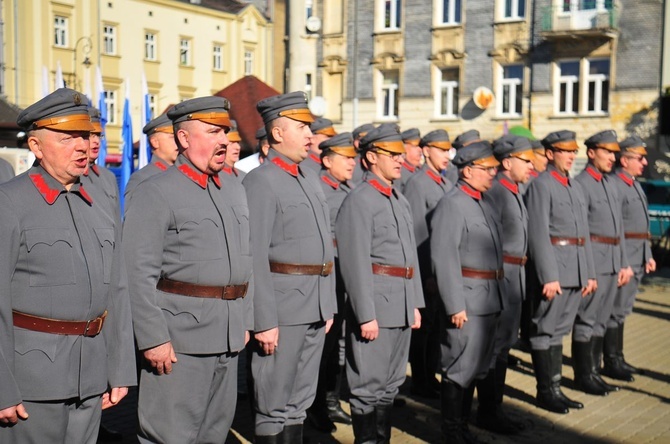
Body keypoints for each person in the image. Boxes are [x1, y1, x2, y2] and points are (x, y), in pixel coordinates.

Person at [0, 87, 135, 442]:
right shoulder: (9, 203)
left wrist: (119, 367)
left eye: (85, 135)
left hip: (90, 377)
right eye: (67, 137)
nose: (81, 145)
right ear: (35, 147)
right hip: (32, 382)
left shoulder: (98, 204)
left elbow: (117, 291)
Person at [123, 96, 253, 443]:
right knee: (169, 435)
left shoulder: (234, 189)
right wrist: (153, 338)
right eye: (213, 131)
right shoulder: (156, 192)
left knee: (213, 433)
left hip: (227, 335)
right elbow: (136, 273)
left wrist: (245, 321)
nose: (224, 139)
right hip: (178, 340)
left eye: (224, 131)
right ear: (183, 139)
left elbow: (246, 262)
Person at [243, 91, 336, 443]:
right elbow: (254, 255)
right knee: (273, 401)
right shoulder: (261, 181)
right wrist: (263, 320)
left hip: (314, 304)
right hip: (282, 310)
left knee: (299, 401)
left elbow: (324, 246)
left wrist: (327, 303)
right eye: (302, 127)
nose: (310, 135)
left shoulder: (310, 176)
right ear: (278, 133)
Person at [335, 123, 424, 444]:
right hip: (376, 305)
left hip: (400, 304)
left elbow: (408, 258)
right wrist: (364, 313)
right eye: (393, 154)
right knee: (367, 385)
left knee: (391, 382)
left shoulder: (398, 198)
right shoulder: (360, 200)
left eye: (402, 154)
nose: (401, 160)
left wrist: (414, 303)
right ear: (371, 157)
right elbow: (354, 261)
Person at [431, 141, 503, 443]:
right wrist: (454, 305)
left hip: (487, 297)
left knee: (475, 367)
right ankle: (451, 431)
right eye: (488, 169)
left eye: (495, 169)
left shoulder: (483, 202)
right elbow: (444, 257)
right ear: (468, 170)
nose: (493, 174)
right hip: (467, 300)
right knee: (458, 367)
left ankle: (462, 427)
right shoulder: (453, 203)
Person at [525, 130, 597, 414]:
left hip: (575, 268)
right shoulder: (542, 185)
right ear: (549, 153)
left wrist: (589, 272)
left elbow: (584, 234)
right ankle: (545, 391)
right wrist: (548, 275)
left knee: (559, 332)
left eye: (573, 151)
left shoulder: (573, 186)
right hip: (555, 269)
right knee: (544, 329)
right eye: (565, 151)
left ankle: (555, 387)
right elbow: (538, 233)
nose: (570, 156)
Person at [476, 134, 535, 435]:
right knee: (495, 347)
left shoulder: (513, 190)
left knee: (503, 346)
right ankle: (488, 411)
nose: (532, 164)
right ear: (507, 162)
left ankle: (493, 408)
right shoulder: (498, 192)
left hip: (515, 277)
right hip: (501, 278)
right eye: (526, 159)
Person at [572, 130, 632, 396]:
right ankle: (583, 374)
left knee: (601, 319)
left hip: (611, 261)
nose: (612, 157)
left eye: (614, 152)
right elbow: (580, 232)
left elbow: (618, 229)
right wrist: (586, 270)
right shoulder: (581, 184)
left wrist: (623, 263)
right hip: (593, 261)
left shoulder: (609, 183)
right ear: (591, 152)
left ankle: (595, 371)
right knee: (586, 319)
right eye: (607, 152)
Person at [307, 132, 357, 433]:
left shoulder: (347, 188)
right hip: (326, 278)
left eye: (353, 157)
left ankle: (329, 400)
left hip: (342, 278)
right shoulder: (320, 191)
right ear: (327, 161)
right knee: (322, 349)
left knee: (334, 346)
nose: (352, 163)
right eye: (346, 158)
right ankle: (315, 408)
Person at [402, 129, 453, 399]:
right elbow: (417, 234)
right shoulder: (418, 184)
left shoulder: (444, 184)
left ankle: (430, 375)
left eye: (448, 151)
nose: (446, 155)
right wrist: (426, 274)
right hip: (425, 270)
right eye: (441, 150)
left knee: (436, 327)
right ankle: (420, 379)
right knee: (423, 331)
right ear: (426, 151)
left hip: (441, 268)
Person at [606, 135, 656, 380]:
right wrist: (623, 262)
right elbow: (617, 229)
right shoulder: (616, 184)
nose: (644, 162)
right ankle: (611, 360)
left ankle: (619, 356)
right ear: (624, 160)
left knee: (623, 309)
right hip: (624, 258)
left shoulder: (633, 183)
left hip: (637, 256)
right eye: (639, 158)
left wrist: (647, 254)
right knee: (615, 310)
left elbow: (641, 225)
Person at [124, 113, 178, 206]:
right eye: (173, 137)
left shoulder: (182, 174)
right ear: (155, 142)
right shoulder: (142, 178)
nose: (179, 142)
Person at [81, 107, 120, 219]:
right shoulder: (69, 177)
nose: (96, 141)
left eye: (98, 135)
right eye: (90, 135)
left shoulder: (108, 177)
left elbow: (116, 223)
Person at [396, 128, 422, 192]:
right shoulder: (398, 174)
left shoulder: (418, 170)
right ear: (403, 148)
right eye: (415, 146)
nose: (420, 150)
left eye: (420, 146)